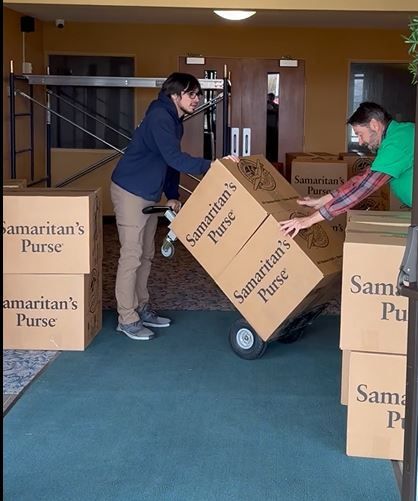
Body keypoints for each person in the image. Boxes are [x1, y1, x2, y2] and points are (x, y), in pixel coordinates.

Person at [111, 72, 238, 341]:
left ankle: (141, 307)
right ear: (175, 95)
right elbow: (175, 158)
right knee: (132, 255)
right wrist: (213, 165)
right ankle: (127, 317)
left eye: (199, 94)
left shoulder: (172, 119)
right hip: (131, 190)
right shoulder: (160, 116)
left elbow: (167, 161)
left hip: (148, 191)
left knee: (146, 254)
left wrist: (171, 193)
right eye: (191, 94)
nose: (197, 99)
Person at [280, 101, 415, 238]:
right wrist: (324, 200)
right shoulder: (398, 135)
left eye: (360, 134)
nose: (360, 142)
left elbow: (364, 187)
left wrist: (309, 220)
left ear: (374, 125)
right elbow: (364, 177)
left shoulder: (398, 142)